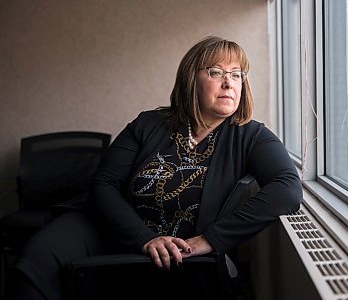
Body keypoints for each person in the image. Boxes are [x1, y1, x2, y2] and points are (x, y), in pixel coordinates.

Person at [8, 36, 302, 299]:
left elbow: (287, 188)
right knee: (36, 261)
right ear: (191, 79)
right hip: (108, 225)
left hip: (180, 250)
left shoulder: (251, 136)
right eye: (216, 72)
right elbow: (105, 185)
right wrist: (144, 238)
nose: (229, 83)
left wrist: (212, 239)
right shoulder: (147, 124)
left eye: (237, 75)